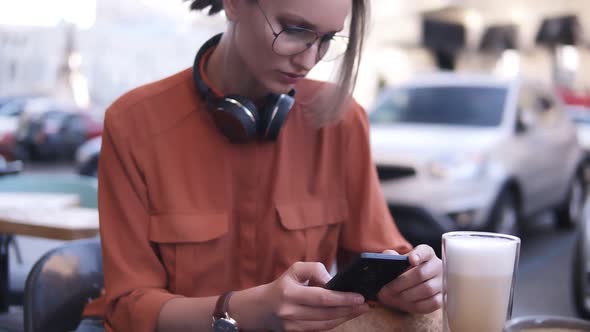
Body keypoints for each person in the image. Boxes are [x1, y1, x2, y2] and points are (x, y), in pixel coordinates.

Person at [77, 0, 443, 331]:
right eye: (295, 30)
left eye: (327, 38)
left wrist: (411, 284)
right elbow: (128, 309)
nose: (308, 58)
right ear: (234, 4)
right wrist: (244, 310)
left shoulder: (341, 121)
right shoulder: (135, 124)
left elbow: (382, 260)